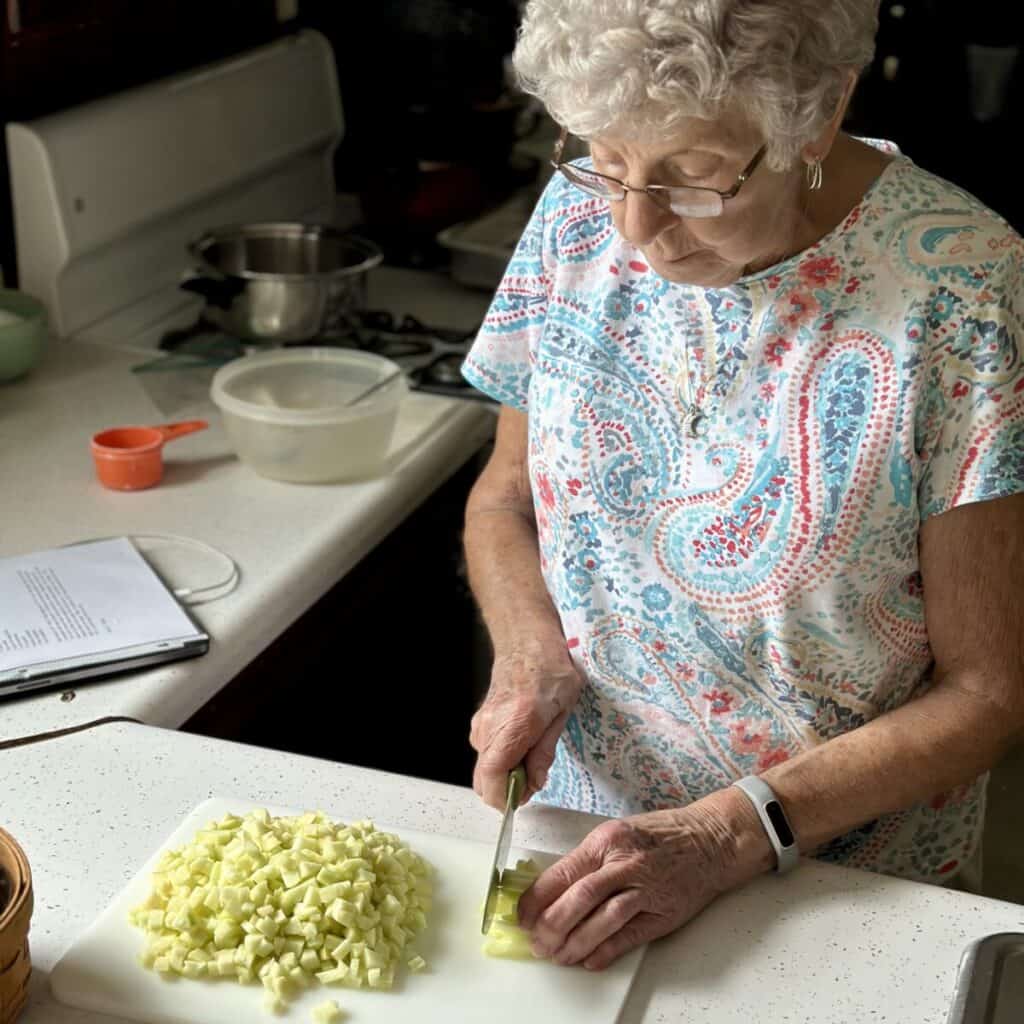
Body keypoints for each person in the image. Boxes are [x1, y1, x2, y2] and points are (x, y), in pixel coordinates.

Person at [461, 0, 1024, 972]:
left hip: (839, 893)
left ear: (817, 112)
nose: (635, 229)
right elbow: (505, 497)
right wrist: (526, 649)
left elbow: (988, 691)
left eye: (690, 177)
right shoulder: (575, 216)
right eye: (604, 158)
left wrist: (732, 832)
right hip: (585, 851)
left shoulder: (965, 289)